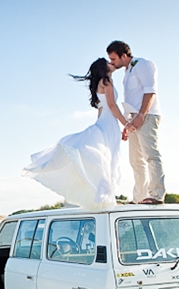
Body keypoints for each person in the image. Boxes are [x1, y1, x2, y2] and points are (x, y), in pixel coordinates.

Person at [22, 58, 128, 209]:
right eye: (108, 63)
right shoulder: (106, 81)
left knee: (106, 158)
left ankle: (105, 196)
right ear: (103, 68)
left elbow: (101, 109)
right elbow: (111, 105)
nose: (112, 64)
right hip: (109, 123)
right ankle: (106, 197)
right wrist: (126, 124)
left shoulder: (100, 83)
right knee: (109, 158)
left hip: (105, 123)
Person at [106, 40, 166, 204]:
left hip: (146, 115)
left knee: (151, 155)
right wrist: (128, 123)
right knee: (135, 160)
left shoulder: (143, 64)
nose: (112, 63)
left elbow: (150, 91)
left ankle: (156, 195)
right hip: (133, 118)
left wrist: (141, 115)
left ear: (123, 55)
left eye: (113, 59)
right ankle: (140, 196)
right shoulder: (127, 72)